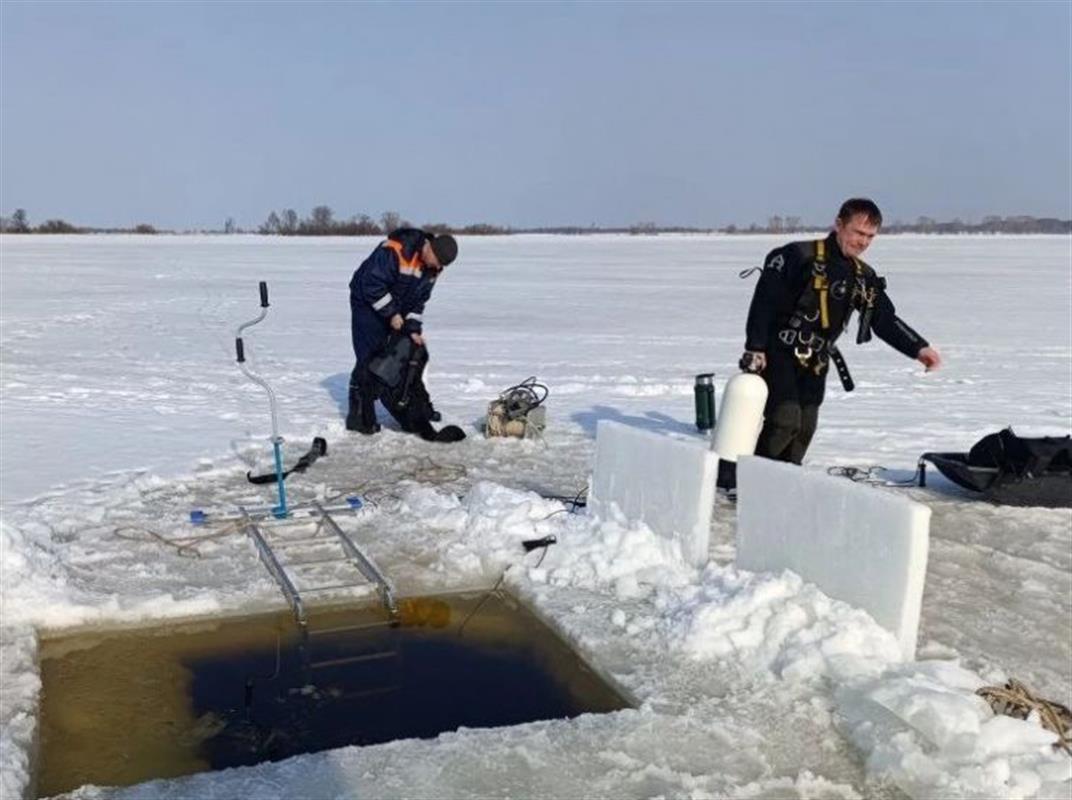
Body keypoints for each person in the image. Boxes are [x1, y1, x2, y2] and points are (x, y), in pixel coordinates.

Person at [741, 198, 941, 464]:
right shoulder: (797, 256)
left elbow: (883, 318)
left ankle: (785, 483)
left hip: (816, 361)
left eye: (870, 236)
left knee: (804, 428)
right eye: (858, 232)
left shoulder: (862, 275)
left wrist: (918, 347)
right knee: (785, 420)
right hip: (779, 352)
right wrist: (755, 347)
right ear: (838, 224)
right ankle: (754, 480)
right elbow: (764, 302)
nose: (863, 242)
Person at [347, 227, 457, 434]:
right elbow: (371, 284)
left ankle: (414, 406)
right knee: (370, 354)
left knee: (401, 352)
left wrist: (413, 329)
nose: (437, 267)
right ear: (429, 248)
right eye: (437, 261)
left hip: (395, 303)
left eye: (442, 265)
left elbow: (418, 303)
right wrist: (392, 315)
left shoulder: (433, 269)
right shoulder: (396, 250)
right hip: (366, 300)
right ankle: (359, 413)